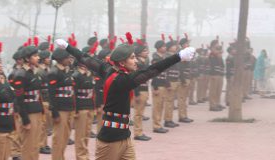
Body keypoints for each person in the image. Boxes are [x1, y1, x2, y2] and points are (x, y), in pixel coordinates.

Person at [55, 37, 195, 160]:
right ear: (122, 63)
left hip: (124, 136)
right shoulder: (122, 80)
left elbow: (86, 58)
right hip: (111, 140)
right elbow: (152, 70)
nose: (136, 61)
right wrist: (178, 56)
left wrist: (67, 46)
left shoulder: (107, 69)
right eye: (132, 58)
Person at [13, 46, 43, 160]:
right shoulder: (21, 74)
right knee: (28, 145)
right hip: (28, 112)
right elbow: (19, 99)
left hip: (36, 110)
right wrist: (25, 119)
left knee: (35, 144)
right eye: (35, 56)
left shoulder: (34, 72)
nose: (38, 58)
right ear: (27, 58)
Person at [47, 48, 75, 160]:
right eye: (67, 58)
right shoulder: (54, 73)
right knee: (58, 138)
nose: (69, 59)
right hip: (60, 109)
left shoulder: (67, 71)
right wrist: (54, 113)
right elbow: (51, 94)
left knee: (65, 137)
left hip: (69, 108)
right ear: (60, 59)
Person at [73, 62, 95, 160]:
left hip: (90, 106)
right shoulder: (76, 75)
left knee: (87, 133)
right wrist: (76, 110)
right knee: (80, 135)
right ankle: (81, 156)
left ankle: (85, 154)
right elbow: (73, 94)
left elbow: (93, 91)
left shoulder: (90, 74)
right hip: (81, 107)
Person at [133, 42, 152, 141]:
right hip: (139, 90)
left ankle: (140, 131)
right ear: (139, 53)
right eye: (144, 51)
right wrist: (136, 93)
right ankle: (137, 133)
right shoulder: (137, 64)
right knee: (138, 113)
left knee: (141, 112)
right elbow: (135, 79)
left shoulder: (144, 62)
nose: (147, 52)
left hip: (145, 88)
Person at [208, 40, 225, 111]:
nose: (218, 46)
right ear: (213, 46)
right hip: (214, 74)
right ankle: (212, 105)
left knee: (218, 90)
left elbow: (221, 63)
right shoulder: (212, 54)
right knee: (213, 91)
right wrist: (219, 51)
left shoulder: (218, 54)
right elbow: (216, 53)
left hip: (219, 74)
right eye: (217, 44)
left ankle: (217, 103)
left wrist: (220, 50)